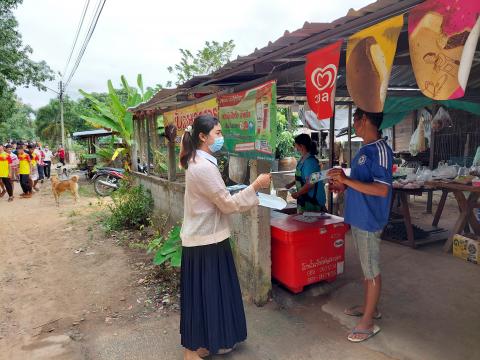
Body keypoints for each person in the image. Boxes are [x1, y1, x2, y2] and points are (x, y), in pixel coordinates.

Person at [179, 115, 271, 360]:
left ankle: (203, 344)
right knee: (204, 296)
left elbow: (217, 198)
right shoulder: (203, 167)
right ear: (202, 136)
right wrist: (255, 186)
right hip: (205, 241)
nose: (221, 138)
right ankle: (191, 352)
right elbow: (228, 205)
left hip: (208, 238)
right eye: (218, 133)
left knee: (210, 295)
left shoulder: (199, 162)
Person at [328, 108, 393, 343]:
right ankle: (370, 308)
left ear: (364, 119)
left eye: (355, 121)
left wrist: (346, 179)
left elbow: (382, 189)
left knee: (371, 270)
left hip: (369, 220)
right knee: (367, 269)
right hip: (358, 216)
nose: (353, 125)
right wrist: (344, 186)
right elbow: (363, 183)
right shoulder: (364, 149)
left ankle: (368, 323)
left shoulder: (380, 150)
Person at [286, 133, 327, 213]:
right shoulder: (303, 160)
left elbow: (310, 184)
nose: (295, 147)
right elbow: (303, 177)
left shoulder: (310, 162)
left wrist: (297, 194)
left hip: (312, 202)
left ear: (301, 146)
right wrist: (291, 184)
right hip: (304, 199)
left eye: (296, 145)